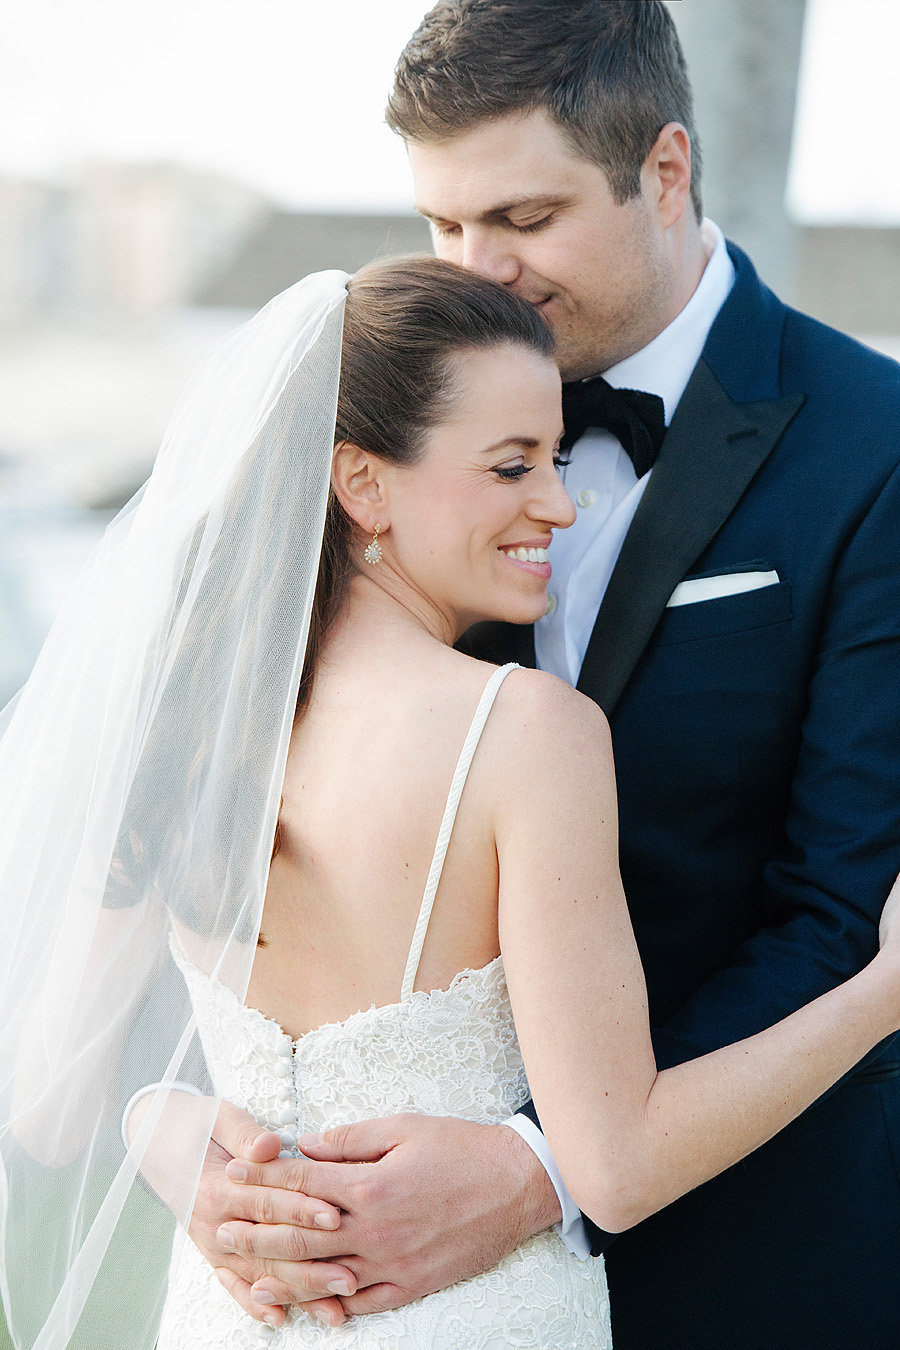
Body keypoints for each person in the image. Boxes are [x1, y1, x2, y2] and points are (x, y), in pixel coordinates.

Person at [190, 4, 900, 1348]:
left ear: (668, 171)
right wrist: (199, 1144)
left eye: (522, 217)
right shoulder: (397, 423)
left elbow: (842, 903)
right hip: (381, 1282)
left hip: (760, 1255)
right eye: (444, 225)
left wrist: (539, 1167)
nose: (478, 270)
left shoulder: (878, 448)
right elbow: (242, 818)